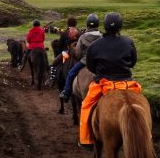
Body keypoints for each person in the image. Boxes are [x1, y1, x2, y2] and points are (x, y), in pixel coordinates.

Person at [79, 12, 140, 147]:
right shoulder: (128, 42)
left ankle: (86, 140)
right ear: (120, 26)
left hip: (103, 84)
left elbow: (90, 66)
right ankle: (147, 136)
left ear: (105, 26)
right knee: (141, 104)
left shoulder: (95, 45)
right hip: (126, 84)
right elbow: (133, 62)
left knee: (86, 105)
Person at [59, 13, 101, 101]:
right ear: (98, 24)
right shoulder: (101, 36)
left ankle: (66, 93)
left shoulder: (83, 37)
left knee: (71, 74)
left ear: (87, 24)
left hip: (85, 61)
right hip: (99, 62)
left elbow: (78, 53)